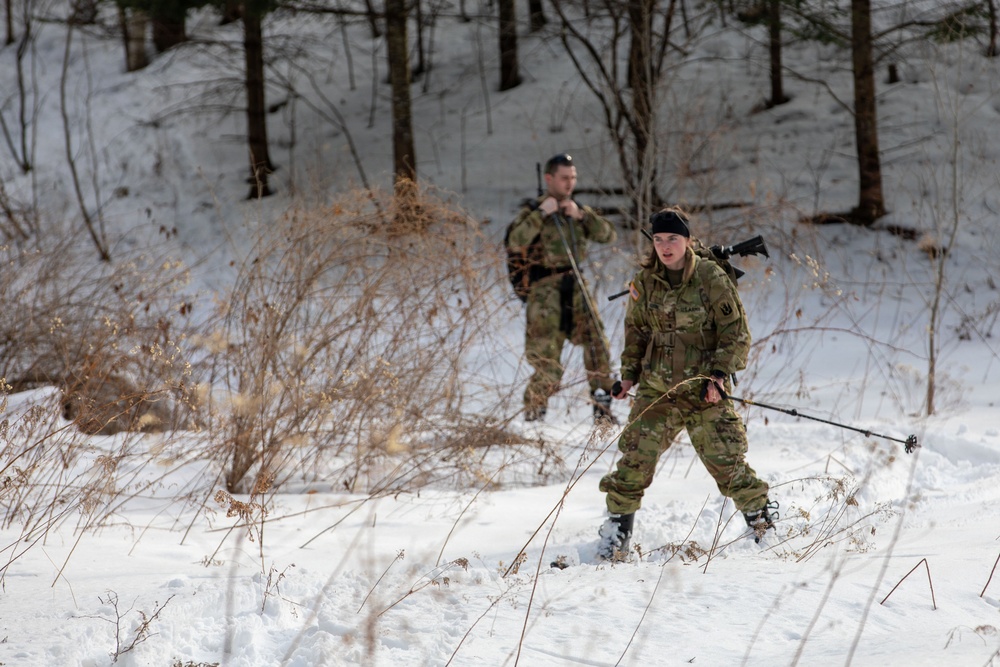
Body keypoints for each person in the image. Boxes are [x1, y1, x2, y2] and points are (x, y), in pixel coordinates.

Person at [597, 206, 776, 559]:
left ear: (687, 241)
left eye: (673, 239)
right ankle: (616, 535)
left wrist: (720, 375)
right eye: (659, 240)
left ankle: (763, 528)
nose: (665, 247)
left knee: (728, 462)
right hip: (657, 390)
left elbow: (736, 332)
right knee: (634, 459)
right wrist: (629, 375)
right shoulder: (645, 282)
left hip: (702, 389)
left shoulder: (710, 277)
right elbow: (635, 331)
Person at [507, 153, 618, 423]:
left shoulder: (576, 210)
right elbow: (515, 240)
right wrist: (541, 214)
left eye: (573, 178)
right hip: (545, 290)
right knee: (546, 355)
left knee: (596, 344)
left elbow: (608, 235)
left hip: (576, 284)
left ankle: (602, 405)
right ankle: (534, 413)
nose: (570, 183)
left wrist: (581, 216)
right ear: (549, 179)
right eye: (564, 178)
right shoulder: (534, 211)